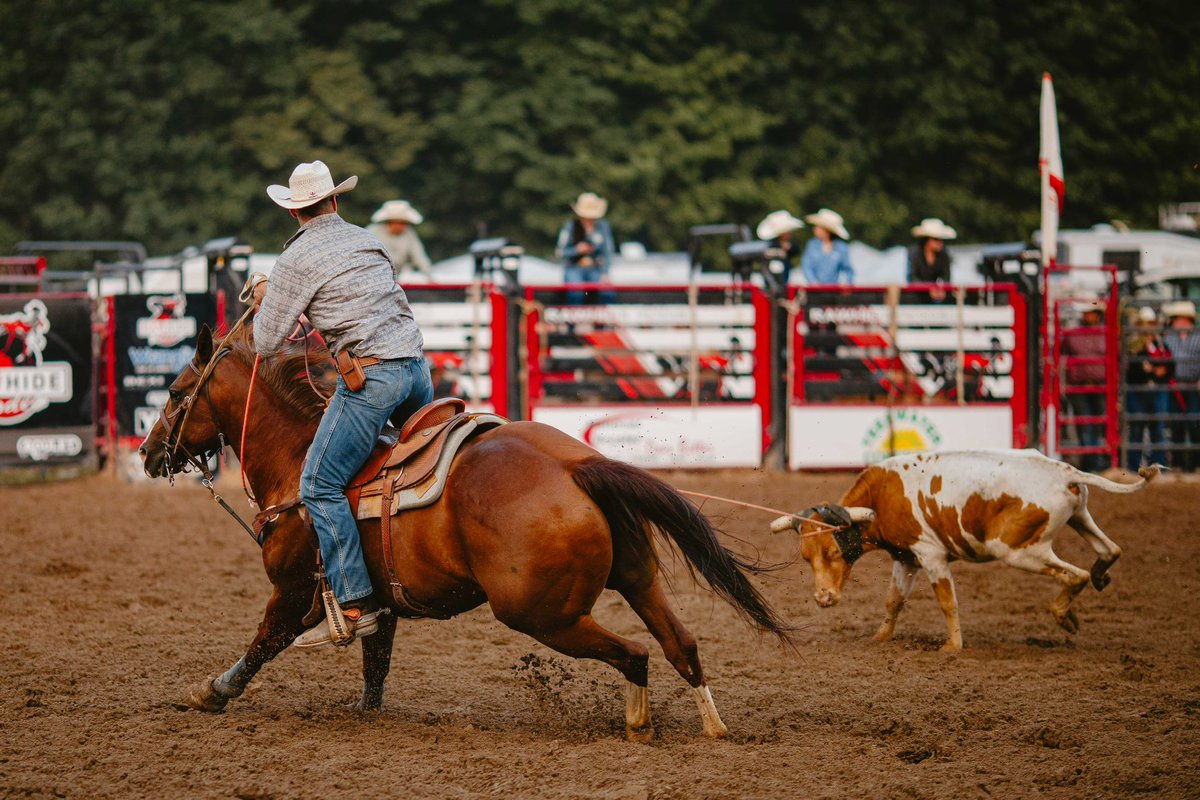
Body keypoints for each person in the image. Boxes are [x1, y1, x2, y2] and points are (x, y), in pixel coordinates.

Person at [252, 160, 433, 648]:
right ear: (334, 201)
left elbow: (266, 341)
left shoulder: (295, 257)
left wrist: (268, 293)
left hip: (373, 379)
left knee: (318, 484)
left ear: (294, 212)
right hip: (417, 370)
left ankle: (355, 602)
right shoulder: (365, 239)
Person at [1061, 299, 1109, 471]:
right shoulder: (1074, 334)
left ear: (1097, 316)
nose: (1087, 316)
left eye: (1091, 313)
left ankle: (1095, 462)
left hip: (1100, 385)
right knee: (1086, 426)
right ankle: (1091, 464)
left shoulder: (1105, 333)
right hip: (1080, 386)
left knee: (1098, 425)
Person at [1124, 306, 1172, 471]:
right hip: (1139, 392)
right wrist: (1153, 370)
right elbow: (1131, 372)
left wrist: (1153, 370)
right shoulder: (1133, 346)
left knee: (1157, 430)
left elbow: (1169, 367)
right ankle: (1133, 466)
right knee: (1137, 430)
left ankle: (1159, 465)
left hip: (1155, 391)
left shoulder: (1160, 345)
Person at [556, 192, 616, 304]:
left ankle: (602, 320)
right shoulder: (570, 226)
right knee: (576, 292)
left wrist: (605, 273)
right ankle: (575, 319)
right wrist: (576, 250)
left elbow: (608, 252)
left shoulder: (602, 227)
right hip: (574, 268)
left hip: (596, 269)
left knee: (607, 292)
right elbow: (560, 252)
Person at [1162, 300, 1200, 471]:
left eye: (1181, 319)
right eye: (1176, 319)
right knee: (1176, 424)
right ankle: (1177, 463)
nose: (1178, 322)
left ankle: (1195, 463)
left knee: (1194, 423)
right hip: (1174, 386)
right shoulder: (1168, 337)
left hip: (1194, 386)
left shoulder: (1198, 336)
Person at [369, 199, 432, 279]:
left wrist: (429, 276)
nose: (399, 226)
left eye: (403, 223)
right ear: (389, 222)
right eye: (395, 222)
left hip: (394, 278)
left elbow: (419, 256)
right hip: (373, 277)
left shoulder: (409, 234)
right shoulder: (373, 231)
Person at [907, 218, 957, 301]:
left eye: (942, 239)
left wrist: (942, 289)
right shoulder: (914, 253)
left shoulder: (944, 255)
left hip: (935, 293)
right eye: (936, 239)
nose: (940, 242)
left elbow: (946, 278)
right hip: (918, 293)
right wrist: (928, 289)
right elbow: (912, 278)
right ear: (926, 240)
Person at [800, 208, 854, 285]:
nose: (815, 229)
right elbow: (806, 266)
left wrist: (846, 283)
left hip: (833, 291)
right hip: (814, 291)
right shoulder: (812, 245)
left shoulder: (841, 248)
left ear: (827, 231)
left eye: (818, 227)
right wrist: (814, 282)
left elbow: (848, 269)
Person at [756, 210, 804, 283]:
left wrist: (789, 247)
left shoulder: (789, 245)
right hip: (771, 280)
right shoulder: (769, 245)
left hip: (784, 279)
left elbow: (796, 250)